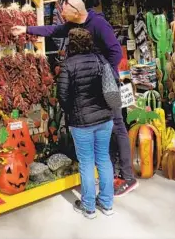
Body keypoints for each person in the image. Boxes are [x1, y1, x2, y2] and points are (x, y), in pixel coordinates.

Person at [11, 0, 138, 197]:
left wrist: (104, 71)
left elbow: (115, 52)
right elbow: (52, 31)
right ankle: (109, 174)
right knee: (105, 126)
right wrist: (26, 29)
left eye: (64, 9)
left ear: (76, 11)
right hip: (92, 84)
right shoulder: (71, 24)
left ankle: (128, 177)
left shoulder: (98, 24)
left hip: (107, 83)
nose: (61, 12)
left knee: (117, 125)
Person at [57, 28, 114, 218]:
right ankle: (106, 203)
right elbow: (112, 85)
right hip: (105, 118)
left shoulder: (68, 65)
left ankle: (89, 207)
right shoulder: (100, 59)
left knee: (87, 162)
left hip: (81, 122)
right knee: (104, 158)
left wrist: (71, 110)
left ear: (71, 44)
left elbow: (62, 96)